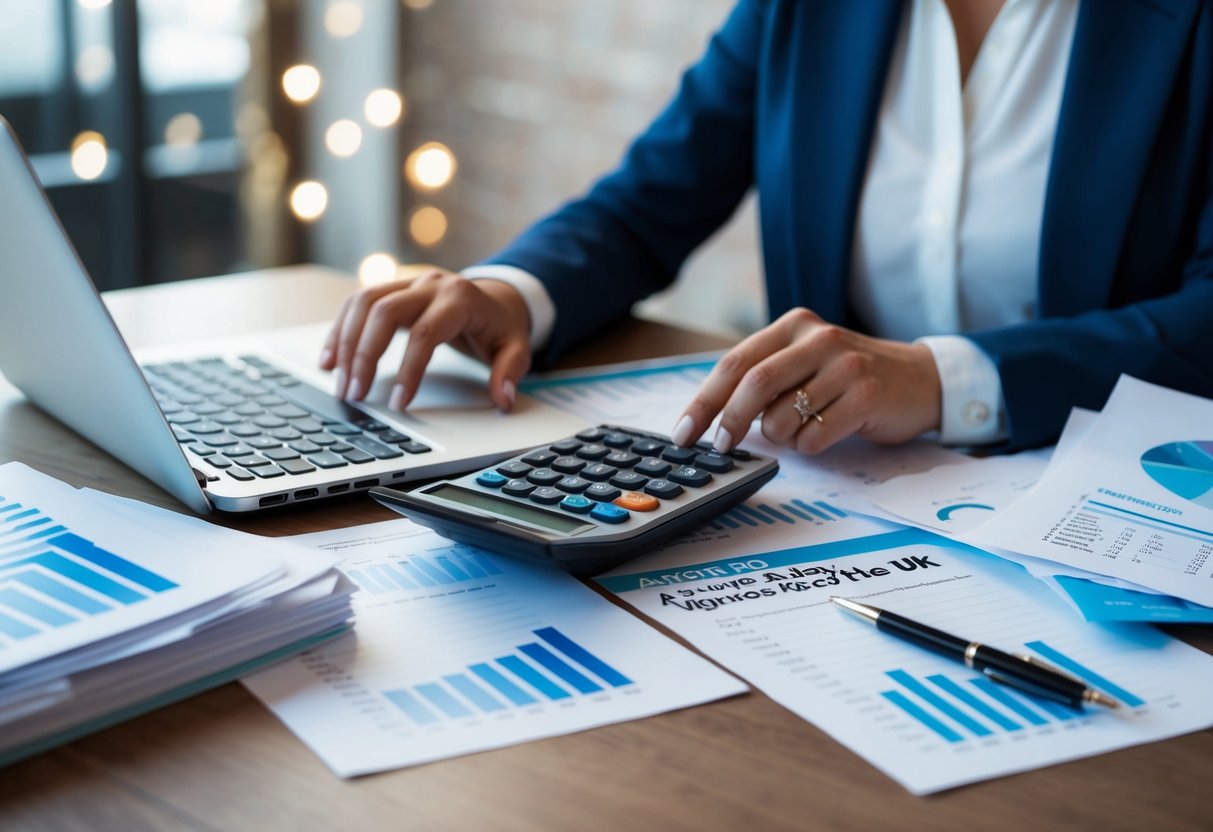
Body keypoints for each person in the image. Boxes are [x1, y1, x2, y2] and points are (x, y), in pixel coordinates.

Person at [321, 0, 1213, 456]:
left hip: (1108, 510)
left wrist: (938, 381)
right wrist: (510, 293)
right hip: (835, 506)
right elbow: (650, 197)